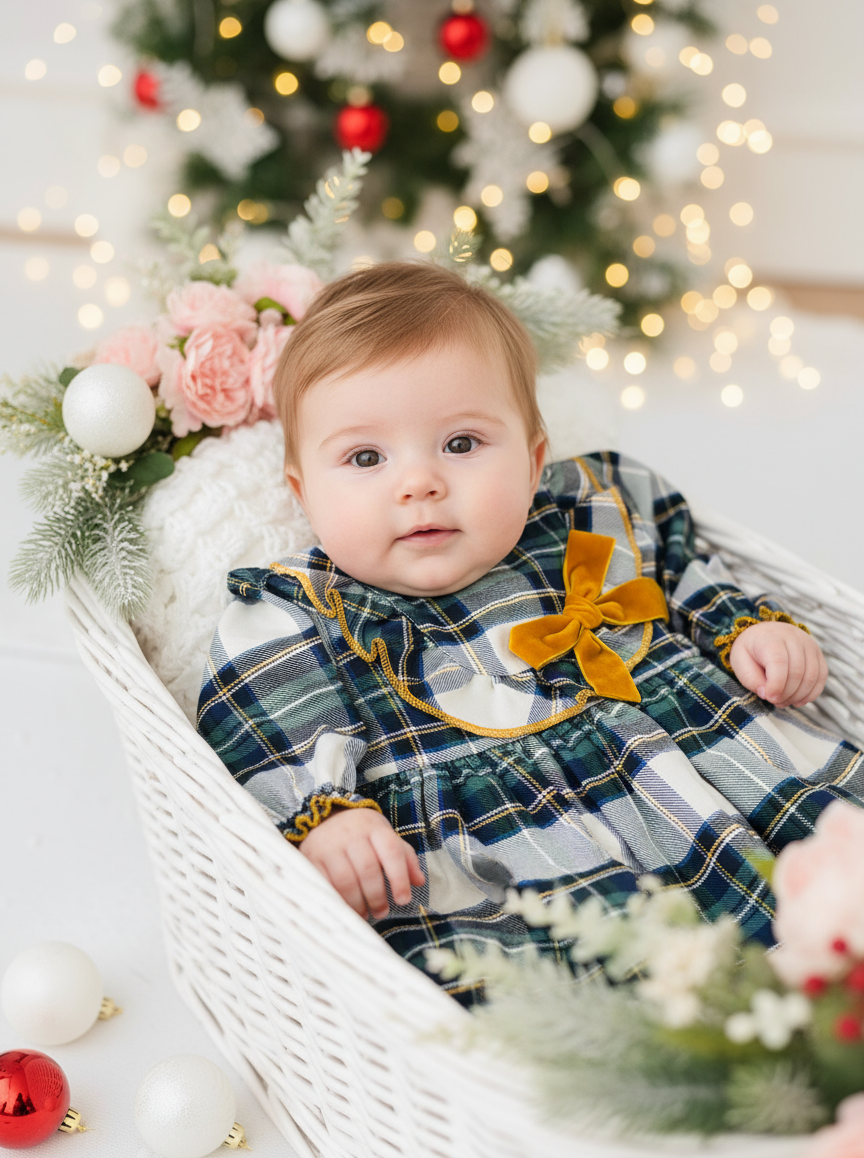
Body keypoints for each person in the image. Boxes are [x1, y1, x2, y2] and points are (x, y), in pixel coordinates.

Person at [197, 261, 862, 1005]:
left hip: (717, 775)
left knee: (838, 887)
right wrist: (328, 815)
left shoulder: (590, 510)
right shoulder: (301, 609)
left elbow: (681, 566)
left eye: (460, 444)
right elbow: (257, 719)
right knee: (585, 1012)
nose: (418, 483)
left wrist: (743, 631)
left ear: (534, 457)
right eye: (365, 458)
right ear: (303, 492)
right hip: (522, 856)